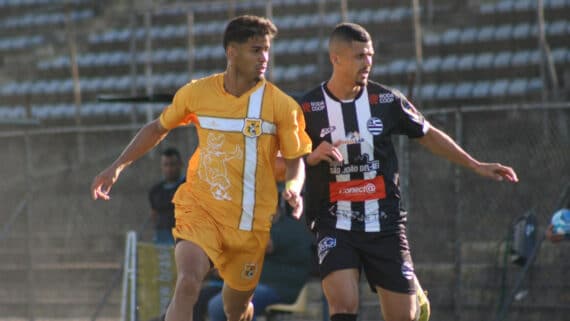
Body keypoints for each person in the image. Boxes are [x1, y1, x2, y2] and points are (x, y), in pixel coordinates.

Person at [91, 15, 312, 321]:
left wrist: (292, 188)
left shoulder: (282, 106)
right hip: (201, 209)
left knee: (234, 309)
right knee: (188, 282)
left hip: (250, 222)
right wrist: (117, 166)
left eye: (266, 50)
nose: (264, 58)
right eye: (255, 49)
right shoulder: (197, 93)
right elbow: (157, 128)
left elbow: (294, 160)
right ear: (231, 52)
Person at [299, 23, 519, 321]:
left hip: (385, 223)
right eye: (359, 56)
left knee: (406, 316)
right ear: (335, 58)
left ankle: (411, 293)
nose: (368, 63)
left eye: (370, 55)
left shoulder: (387, 100)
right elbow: (282, 160)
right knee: (343, 305)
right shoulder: (308, 107)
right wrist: (311, 156)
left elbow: (427, 133)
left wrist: (475, 164)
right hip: (335, 222)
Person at [202, 184, 313, 321]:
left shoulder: (288, 227)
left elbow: (260, 246)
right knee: (202, 296)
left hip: (280, 287)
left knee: (218, 306)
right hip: (259, 283)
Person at [149, 147, 185, 245]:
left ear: (180, 164)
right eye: (166, 165)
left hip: (183, 238)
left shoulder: (188, 186)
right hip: (162, 238)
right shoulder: (155, 191)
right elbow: (154, 215)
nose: (169, 169)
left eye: (172, 164)